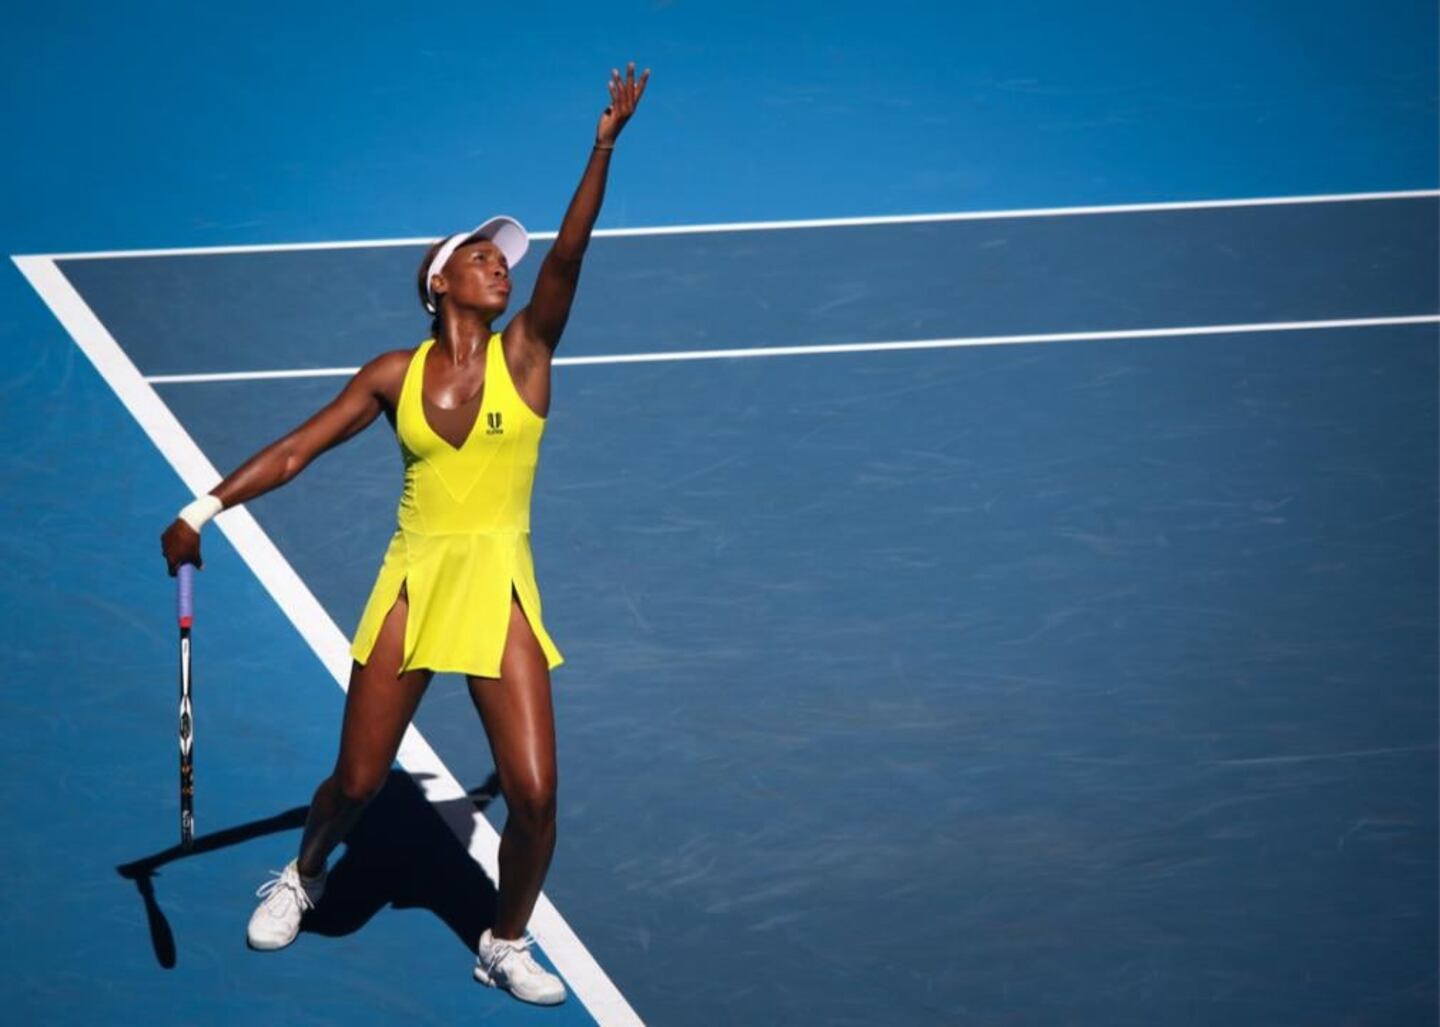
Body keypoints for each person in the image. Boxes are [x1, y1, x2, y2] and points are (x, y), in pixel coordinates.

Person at [160, 62, 650, 1006]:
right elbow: (298, 449)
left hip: (498, 586)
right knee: (356, 781)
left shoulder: (527, 354)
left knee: (537, 796)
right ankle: (304, 874)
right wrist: (199, 510)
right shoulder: (393, 373)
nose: (501, 264)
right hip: (413, 584)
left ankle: (504, 940)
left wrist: (601, 150)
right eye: (482, 256)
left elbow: (569, 257)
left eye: (503, 259)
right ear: (440, 283)